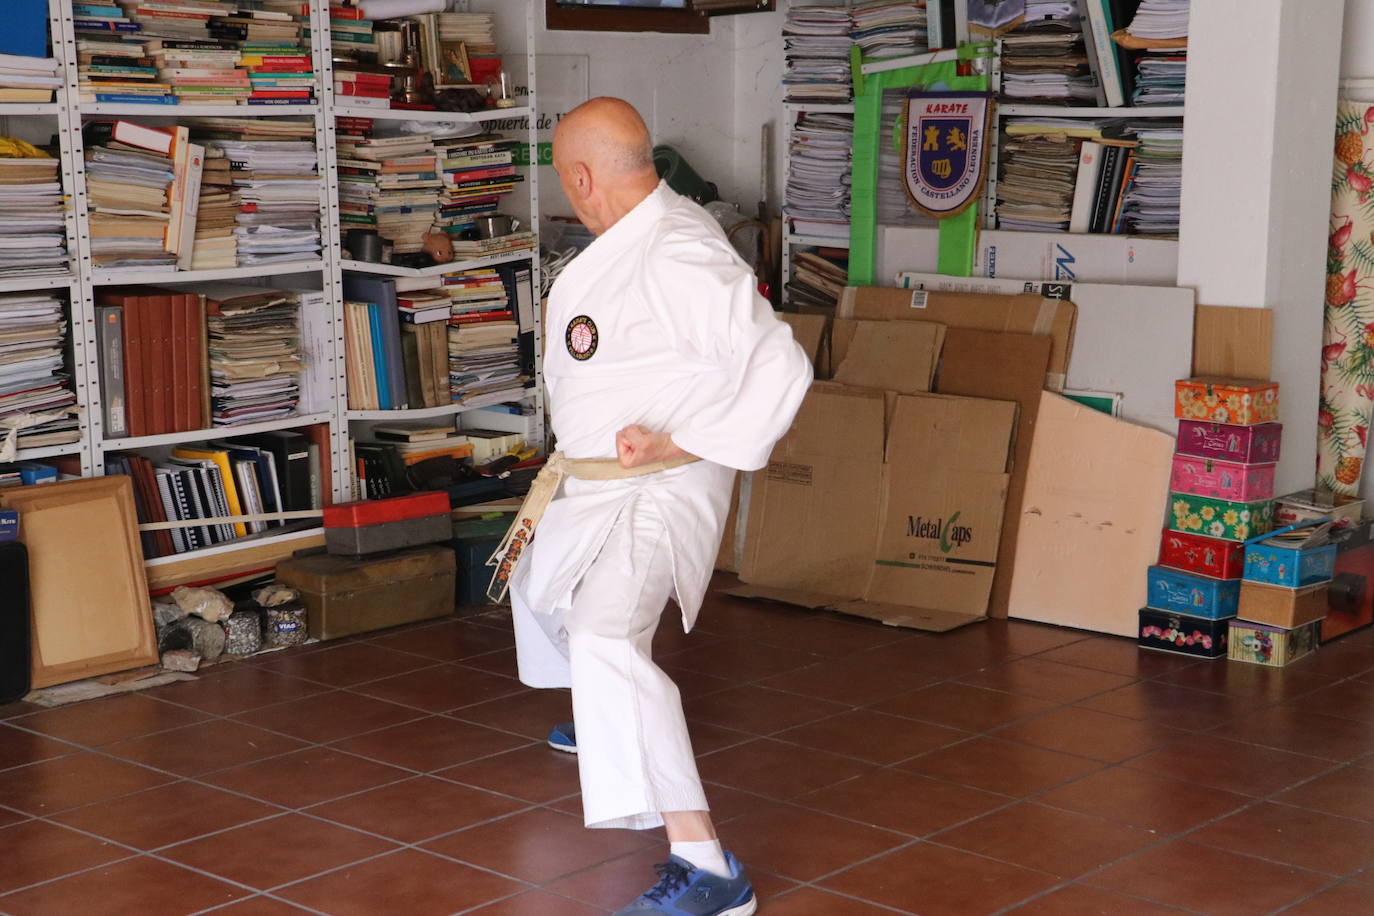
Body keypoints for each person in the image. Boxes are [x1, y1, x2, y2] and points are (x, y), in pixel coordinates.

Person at [507, 97, 812, 916]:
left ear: (579, 178)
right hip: (600, 481)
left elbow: (783, 368)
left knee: (607, 635)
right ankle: (603, 713)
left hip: (657, 489)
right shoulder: (640, 235)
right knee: (544, 588)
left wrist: (679, 445)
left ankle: (711, 870)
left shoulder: (677, 251)